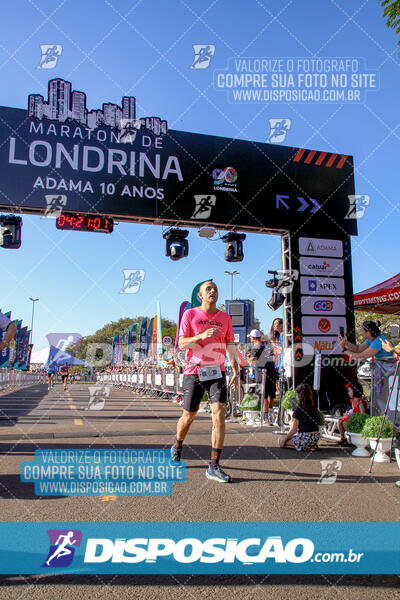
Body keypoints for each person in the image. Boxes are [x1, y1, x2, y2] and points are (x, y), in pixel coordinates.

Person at [171, 280, 239, 483]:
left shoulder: (225, 317)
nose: (213, 291)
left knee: (219, 414)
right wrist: (201, 336)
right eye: (208, 289)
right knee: (188, 417)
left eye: (215, 288)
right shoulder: (190, 314)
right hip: (195, 371)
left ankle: (214, 465)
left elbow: (230, 344)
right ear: (200, 295)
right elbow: (182, 343)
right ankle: (178, 444)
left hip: (217, 372)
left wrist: (235, 369)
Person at [247, 329, 277, 425]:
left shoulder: (256, 346)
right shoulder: (268, 344)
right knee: (271, 394)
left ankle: (265, 416)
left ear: (253, 337)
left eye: (251, 338)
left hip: (261, 372)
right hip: (271, 370)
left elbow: (252, 360)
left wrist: (247, 358)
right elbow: (274, 357)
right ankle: (271, 415)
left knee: (263, 394)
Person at [279, 383, 320, 451]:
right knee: (287, 440)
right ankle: (310, 446)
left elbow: (294, 430)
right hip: (315, 437)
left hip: (305, 437)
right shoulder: (314, 408)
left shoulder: (298, 409)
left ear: (298, 395)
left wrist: (285, 438)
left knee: (281, 441)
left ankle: (303, 446)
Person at [337, 381, 367, 446]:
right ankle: (343, 437)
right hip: (353, 416)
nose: (348, 393)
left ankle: (351, 439)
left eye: (349, 391)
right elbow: (353, 410)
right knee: (340, 421)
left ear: (355, 391)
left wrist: (354, 415)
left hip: (358, 419)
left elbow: (362, 413)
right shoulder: (353, 400)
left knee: (345, 423)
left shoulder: (359, 401)